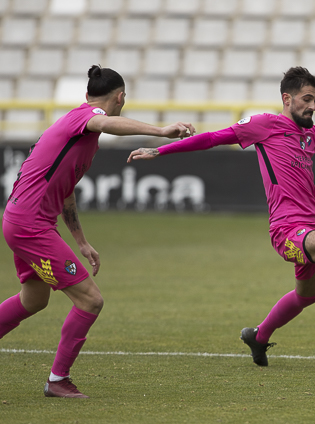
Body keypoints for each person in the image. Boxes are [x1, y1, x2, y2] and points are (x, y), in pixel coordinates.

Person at [127, 66, 315, 367]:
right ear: (287, 99)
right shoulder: (264, 124)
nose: (313, 106)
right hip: (286, 230)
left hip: (308, 228)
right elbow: (214, 138)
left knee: (307, 296)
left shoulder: (311, 136)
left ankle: (259, 336)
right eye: (307, 98)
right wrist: (162, 151)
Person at [0, 65, 195, 397]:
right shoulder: (85, 117)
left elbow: (66, 190)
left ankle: (57, 380)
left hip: (22, 220)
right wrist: (161, 131)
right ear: (120, 98)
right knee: (90, 300)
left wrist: (81, 241)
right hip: (30, 224)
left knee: (33, 300)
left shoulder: (79, 132)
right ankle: (58, 380)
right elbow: (104, 121)